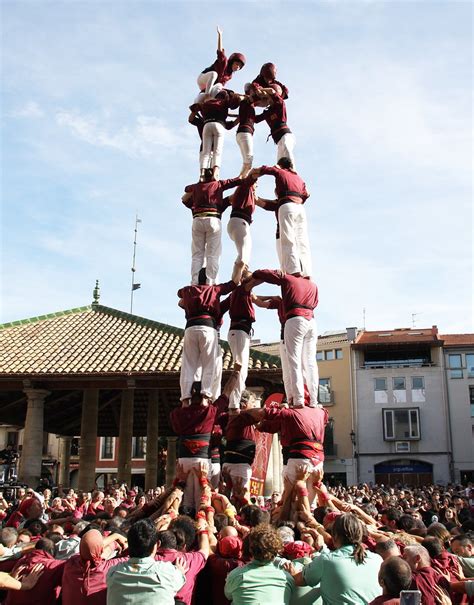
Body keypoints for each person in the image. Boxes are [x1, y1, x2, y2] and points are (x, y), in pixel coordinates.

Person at [170, 369, 241, 510]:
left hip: (184, 459)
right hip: (202, 460)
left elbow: (176, 428)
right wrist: (236, 372)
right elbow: (226, 392)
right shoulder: (210, 411)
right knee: (203, 498)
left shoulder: (178, 413)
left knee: (186, 500)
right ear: (205, 396)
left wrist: (184, 403)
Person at [250, 269, 319, 408]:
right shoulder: (310, 286)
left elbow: (257, 301)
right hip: (310, 322)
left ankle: (296, 399)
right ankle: (312, 400)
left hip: (290, 331)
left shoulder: (282, 296)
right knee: (309, 364)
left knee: (291, 369)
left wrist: (255, 277)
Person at [291, 514, 383, 604]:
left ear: (334, 536)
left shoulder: (326, 561)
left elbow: (299, 580)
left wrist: (291, 571)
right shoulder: (378, 560)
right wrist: (322, 549)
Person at [177, 268, 237, 403]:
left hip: (190, 328)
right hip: (208, 327)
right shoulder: (214, 290)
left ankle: (185, 398)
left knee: (188, 364)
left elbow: (179, 295)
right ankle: (205, 396)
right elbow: (232, 284)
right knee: (209, 364)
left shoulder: (188, 290)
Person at [252, 157, 311, 277]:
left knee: (287, 239)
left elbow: (269, 169)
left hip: (288, 206)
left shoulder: (281, 171)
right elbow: (307, 193)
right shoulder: (299, 178)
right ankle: (306, 271)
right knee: (302, 241)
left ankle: (293, 271)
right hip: (300, 208)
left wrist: (254, 172)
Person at [106, 520, 187, 605]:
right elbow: (179, 578)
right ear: (158, 544)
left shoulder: (113, 573)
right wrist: (179, 571)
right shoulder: (168, 572)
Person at [182, 173, 242, 284]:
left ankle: (194, 282)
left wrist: (196, 188)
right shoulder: (218, 188)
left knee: (197, 254)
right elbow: (233, 195)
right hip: (213, 219)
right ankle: (211, 281)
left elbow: (184, 198)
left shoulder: (196, 197)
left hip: (197, 220)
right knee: (213, 254)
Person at [225, 524, 295, 604]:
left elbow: (228, 595)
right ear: (277, 550)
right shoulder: (287, 578)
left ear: (250, 549)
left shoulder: (235, 575)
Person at [220, 272, 256, 406]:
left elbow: (220, 308)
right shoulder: (242, 289)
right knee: (240, 368)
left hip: (238, 332)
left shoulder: (237, 294)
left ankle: (235, 401)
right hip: (240, 332)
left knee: (241, 368)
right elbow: (257, 281)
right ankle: (235, 404)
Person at [220, 390, 260, 504]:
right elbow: (261, 414)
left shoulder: (237, 417)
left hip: (233, 463)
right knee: (242, 495)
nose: (254, 405)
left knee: (229, 495)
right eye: (252, 402)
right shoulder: (241, 416)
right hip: (239, 465)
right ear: (243, 404)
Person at [196, 26, 245, 102]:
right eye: (237, 64)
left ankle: (208, 100)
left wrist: (231, 93)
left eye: (239, 67)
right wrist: (220, 35)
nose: (237, 67)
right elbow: (220, 51)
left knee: (219, 86)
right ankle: (207, 96)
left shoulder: (229, 76)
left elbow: (220, 87)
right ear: (232, 62)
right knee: (214, 74)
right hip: (203, 79)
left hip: (208, 86)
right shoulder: (224, 62)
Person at [225, 176, 257, 282]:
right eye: (256, 183)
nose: (257, 185)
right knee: (244, 257)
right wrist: (259, 172)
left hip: (238, 222)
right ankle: (237, 281)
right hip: (239, 222)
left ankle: (236, 280)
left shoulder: (248, 193)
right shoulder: (245, 187)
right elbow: (249, 178)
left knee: (243, 255)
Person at [254, 84, 295, 165]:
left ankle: (292, 169)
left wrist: (260, 89)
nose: (268, 100)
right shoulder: (268, 112)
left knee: (286, 147)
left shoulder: (279, 103)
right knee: (280, 162)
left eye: (268, 97)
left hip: (285, 135)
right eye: (266, 98)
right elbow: (254, 119)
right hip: (278, 140)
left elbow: (272, 91)